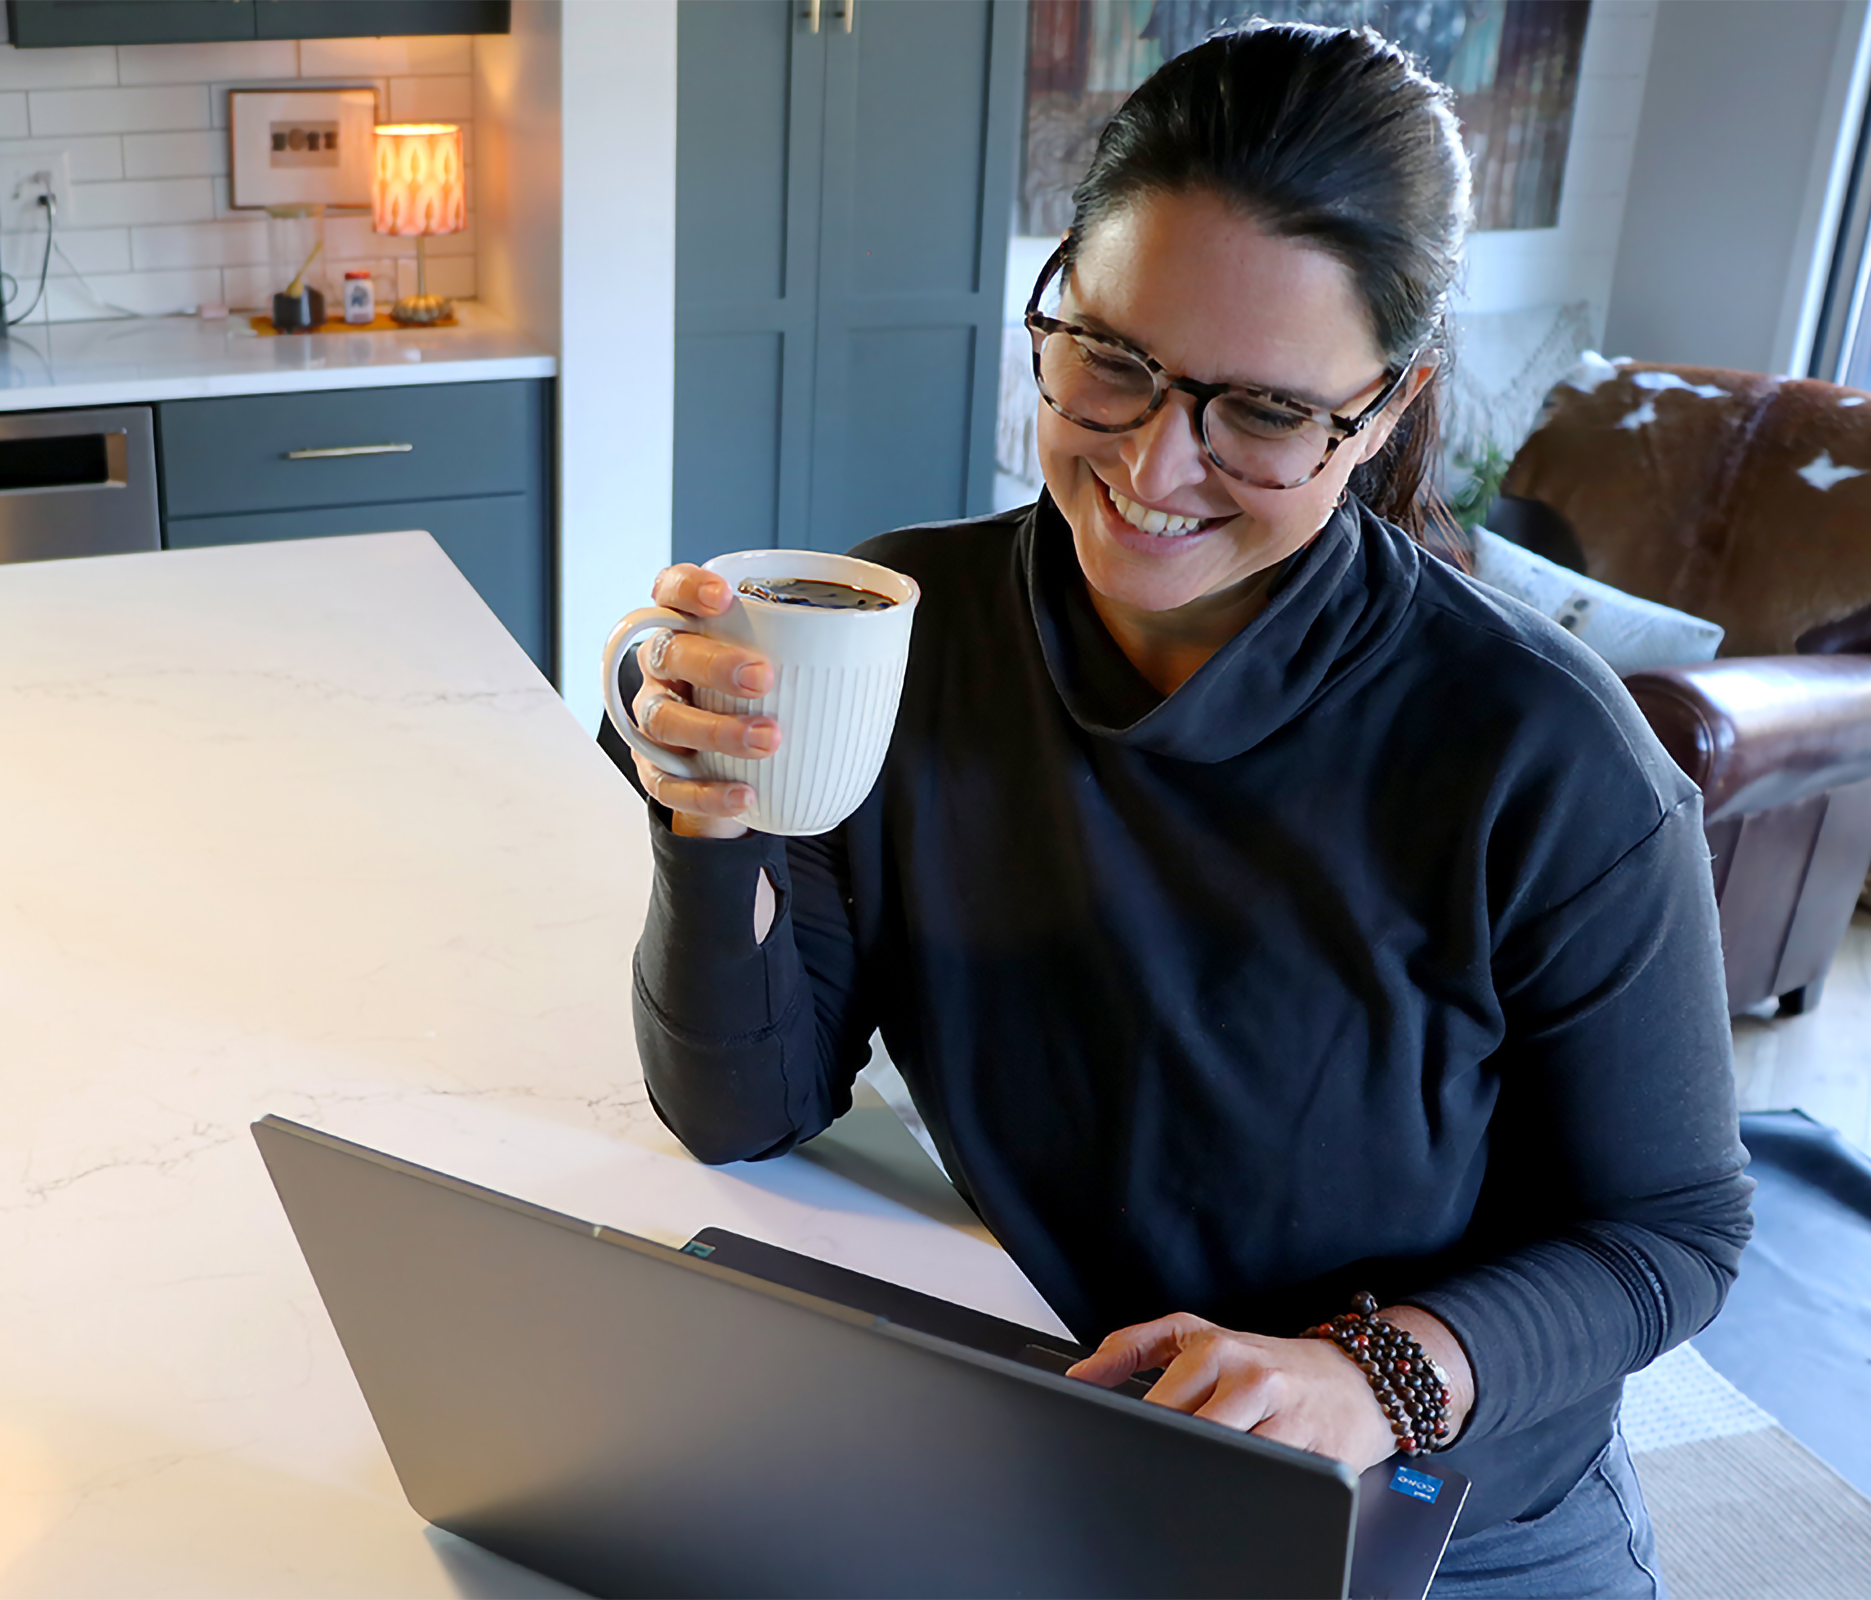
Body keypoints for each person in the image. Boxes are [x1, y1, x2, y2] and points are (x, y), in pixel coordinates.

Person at [611, 24, 1748, 1597]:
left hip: (1442, 1507)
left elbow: (1672, 1235)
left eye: (1266, 414)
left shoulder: (1544, 759)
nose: (1154, 465)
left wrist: (1373, 1376)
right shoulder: (898, 629)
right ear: (1061, 299)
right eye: (1114, 360)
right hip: (1065, 1430)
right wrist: (710, 821)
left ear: (1389, 404)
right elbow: (743, 1107)